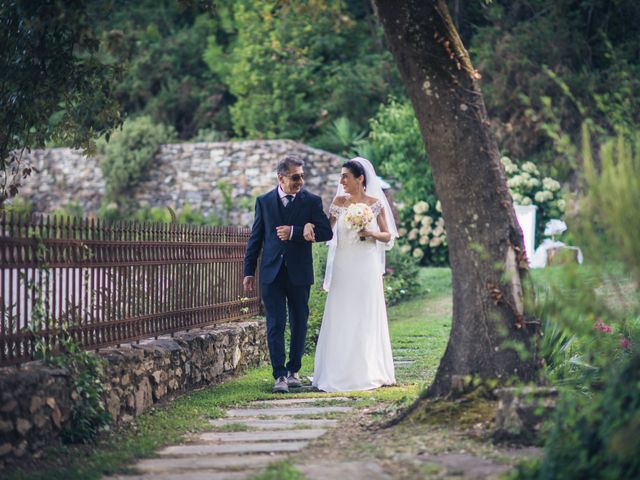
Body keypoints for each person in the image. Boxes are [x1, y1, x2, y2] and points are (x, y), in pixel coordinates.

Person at [243, 155, 333, 393]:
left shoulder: (311, 201)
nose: (300, 181)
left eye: (302, 176)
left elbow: (326, 232)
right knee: (275, 324)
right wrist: (248, 271)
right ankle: (279, 375)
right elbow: (256, 237)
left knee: (299, 322)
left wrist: (295, 231)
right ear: (281, 178)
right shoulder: (263, 201)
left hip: (299, 272)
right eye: (296, 177)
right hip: (271, 273)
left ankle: (294, 371)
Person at [312, 157, 398, 392]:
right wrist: (319, 220)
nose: (342, 181)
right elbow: (326, 232)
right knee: (342, 312)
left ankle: (367, 370)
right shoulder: (339, 202)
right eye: (341, 176)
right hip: (343, 264)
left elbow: (387, 235)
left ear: (360, 179)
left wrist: (370, 232)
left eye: (345, 176)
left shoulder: (375, 203)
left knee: (364, 313)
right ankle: (337, 370)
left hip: (365, 265)